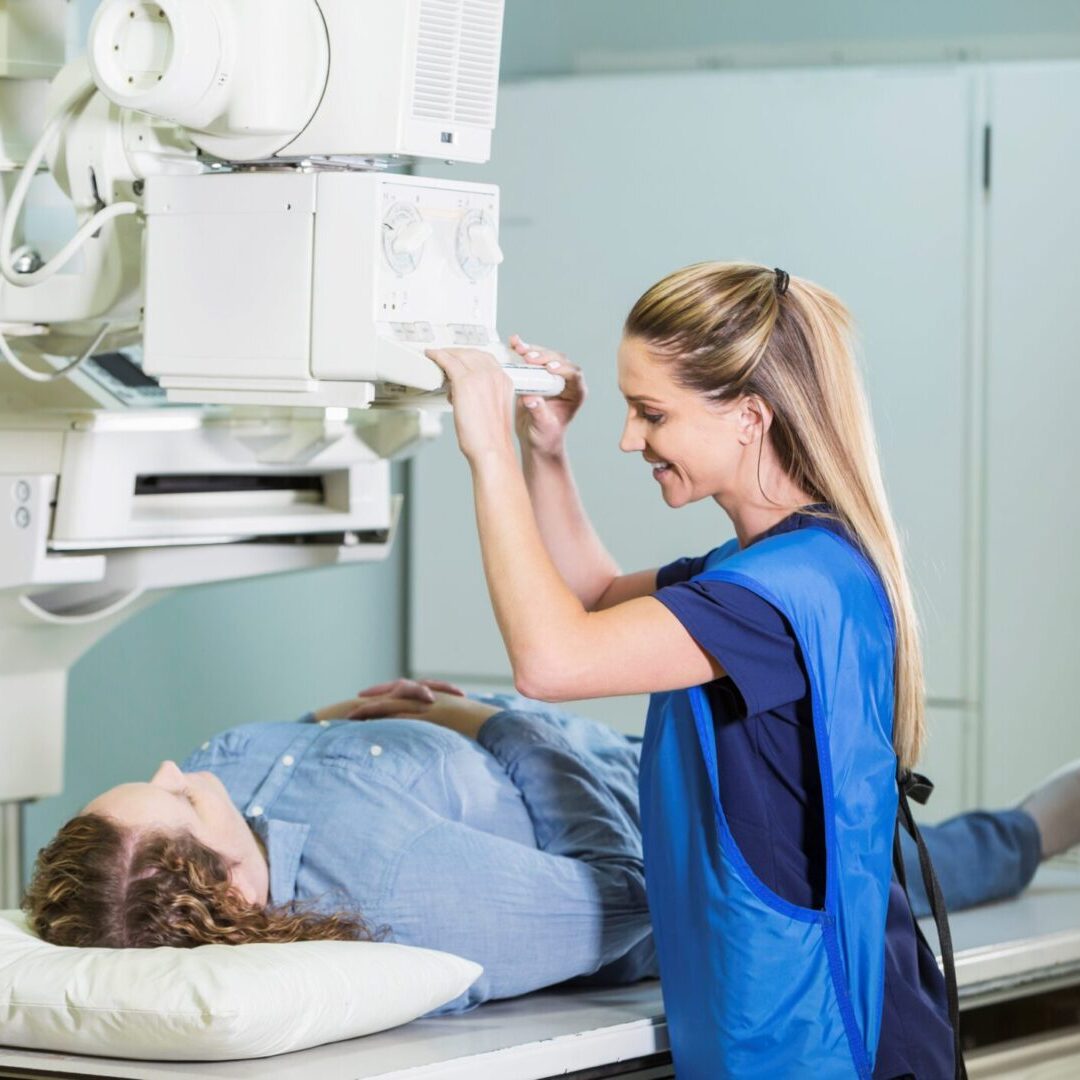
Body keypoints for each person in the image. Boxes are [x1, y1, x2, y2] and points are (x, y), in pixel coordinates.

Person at [421, 262, 980, 1077]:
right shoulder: (779, 566)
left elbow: (551, 659)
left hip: (834, 1039)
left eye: (652, 413)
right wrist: (543, 450)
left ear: (750, 416)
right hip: (830, 1017)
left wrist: (485, 456)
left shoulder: (772, 598)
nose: (630, 438)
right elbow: (596, 597)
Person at [22, 681, 1080, 1015]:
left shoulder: (225, 829)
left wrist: (378, 724)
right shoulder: (406, 890)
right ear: (235, 889)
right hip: (689, 820)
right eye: (179, 801)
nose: (174, 772)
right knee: (918, 861)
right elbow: (634, 891)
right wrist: (490, 725)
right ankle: (1048, 822)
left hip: (586, 747)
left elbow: (306, 762)